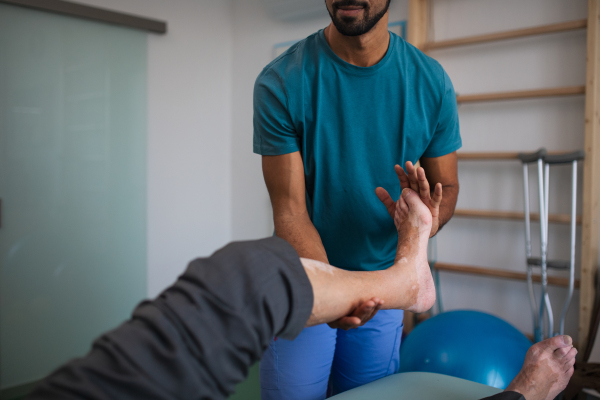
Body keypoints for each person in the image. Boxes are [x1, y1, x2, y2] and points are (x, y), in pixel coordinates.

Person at [28, 189, 576, 400]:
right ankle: (406, 278)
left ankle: (403, 278)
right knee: (251, 273)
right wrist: (523, 395)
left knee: (249, 269)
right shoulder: (287, 79)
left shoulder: (420, 80)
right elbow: (288, 203)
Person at [253, 0, 460, 396]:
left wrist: (421, 222)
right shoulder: (281, 80)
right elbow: (291, 211)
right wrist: (336, 294)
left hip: (384, 285)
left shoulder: (431, 82)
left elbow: (445, 189)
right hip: (306, 280)